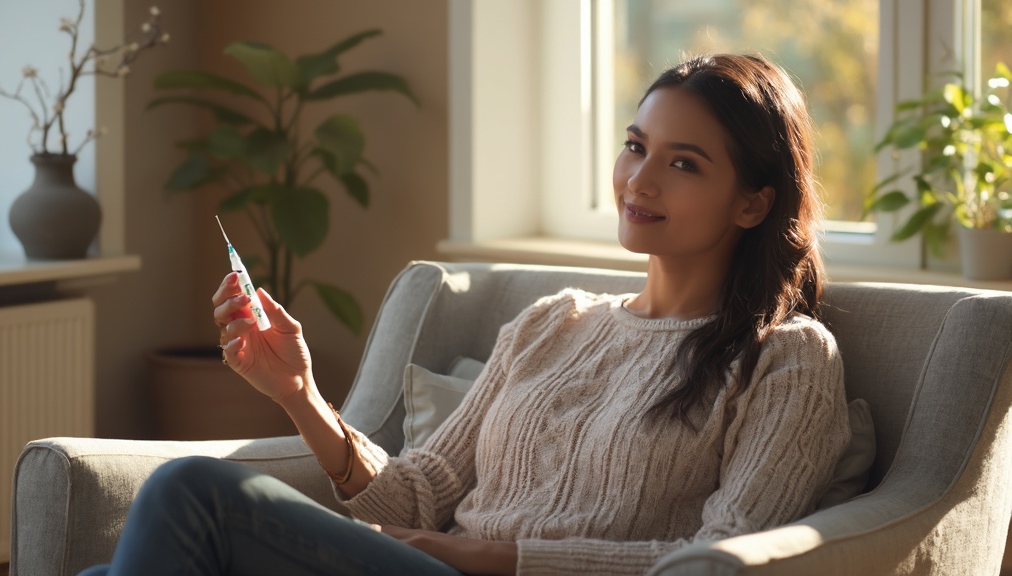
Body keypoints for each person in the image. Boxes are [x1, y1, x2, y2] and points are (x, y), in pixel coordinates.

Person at [80, 53, 851, 576]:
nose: (638, 181)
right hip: (429, 562)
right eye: (635, 146)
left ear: (754, 201)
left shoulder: (787, 358)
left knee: (189, 493)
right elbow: (416, 498)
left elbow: (721, 557)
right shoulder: (556, 323)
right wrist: (299, 395)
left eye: (684, 163)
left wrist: (489, 557)